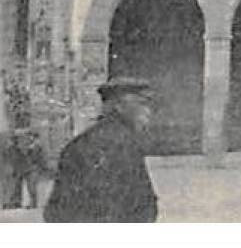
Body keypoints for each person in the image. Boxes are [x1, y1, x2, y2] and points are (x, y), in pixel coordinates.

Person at [43, 78, 159, 223]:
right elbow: (134, 204)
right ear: (119, 106)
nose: (148, 112)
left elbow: (54, 211)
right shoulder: (123, 143)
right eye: (142, 104)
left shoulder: (78, 143)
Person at [9, 128, 50, 209]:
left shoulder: (35, 147)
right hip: (23, 168)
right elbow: (15, 158)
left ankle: (33, 203)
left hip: (31, 168)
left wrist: (43, 167)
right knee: (21, 187)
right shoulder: (16, 147)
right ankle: (19, 202)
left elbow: (39, 158)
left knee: (31, 187)